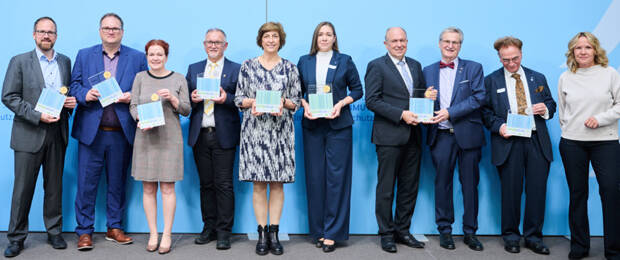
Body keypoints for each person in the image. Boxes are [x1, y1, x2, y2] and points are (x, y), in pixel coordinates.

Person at [69, 13, 147, 250]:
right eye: (106, 28)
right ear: (100, 30)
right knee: (86, 184)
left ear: (122, 31)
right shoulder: (84, 55)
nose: (111, 31)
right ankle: (84, 231)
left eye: (115, 28)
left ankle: (115, 227)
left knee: (117, 183)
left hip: (121, 132)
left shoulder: (137, 57)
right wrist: (85, 94)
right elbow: (74, 85)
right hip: (91, 131)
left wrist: (133, 96)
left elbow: (145, 87)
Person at [1, 17, 75, 258]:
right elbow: (9, 96)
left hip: (57, 133)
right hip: (28, 134)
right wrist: (37, 116)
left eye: (51, 32)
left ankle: (54, 232)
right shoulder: (20, 61)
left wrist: (70, 104)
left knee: (54, 187)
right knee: (22, 190)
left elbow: (66, 94)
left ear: (56, 36)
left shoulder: (65, 61)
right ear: (34, 35)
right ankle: (16, 238)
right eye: (42, 32)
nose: (46, 36)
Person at [482, 36, 556, 255]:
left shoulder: (537, 77)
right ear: (499, 57)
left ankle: (534, 237)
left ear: (521, 54)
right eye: (506, 60)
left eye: (514, 58)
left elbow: (550, 104)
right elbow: (485, 113)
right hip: (509, 140)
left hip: (536, 140)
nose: (511, 63)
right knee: (510, 192)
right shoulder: (491, 80)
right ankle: (511, 236)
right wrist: (499, 127)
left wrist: (545, 108)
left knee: (536, 191)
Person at [234, 21, 300, 256]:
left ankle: (274, 233)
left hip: (280, 134)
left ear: (280, 40)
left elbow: (297, 102)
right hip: (254, 133)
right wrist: (253, 102)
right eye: (266, 36)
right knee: (259, 185)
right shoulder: (248, 66)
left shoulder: (290, 68)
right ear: (260, 40)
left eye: (275, 36)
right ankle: (261, 233)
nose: (271, 40)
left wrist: (283, 102)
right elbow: (238, 99)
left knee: (278, 184)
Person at [297, 21, 363, 253]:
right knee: (315, 178)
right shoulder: (304, 61)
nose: (324, 38)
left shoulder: (345, 60)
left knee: (337, 179)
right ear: (315, 38)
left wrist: (342, 104)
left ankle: (333, 233)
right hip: (312, 125)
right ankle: (318, 231)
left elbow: (357, 90)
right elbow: (297, 93)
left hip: (338, 125)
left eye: (328, 34)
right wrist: (304, 104)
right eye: (320, 35)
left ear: (335, 38)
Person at [421, 27, 485, 251]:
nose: (450, 45)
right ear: (439, 43)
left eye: (455, 42)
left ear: (460, 45)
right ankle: (445, 231)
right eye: (447, 41)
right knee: (442, 184)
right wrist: (424, 98)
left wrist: (451, 112)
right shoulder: (427, 70)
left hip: (468, 135)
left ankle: (470, 232)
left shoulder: (474, 68)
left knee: (470, 186)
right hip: (440, 136)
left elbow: (479, 98)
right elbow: (418, 102)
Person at [364, 27, 428, 253]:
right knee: (386, 187)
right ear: (386, 44)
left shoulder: (415, 65)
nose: (399, 44)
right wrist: (401, 114)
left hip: (414, 135)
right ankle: (386, 233)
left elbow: (418, 99)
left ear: (407, 42)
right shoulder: (377, 66)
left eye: (402, 40)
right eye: (394, 41)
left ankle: (403, 230)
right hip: (389, 136)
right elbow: (372, 100)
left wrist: (427, 99)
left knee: (409, 187)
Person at [558, 32, 620, 260]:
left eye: (587, 47)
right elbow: (564, 112)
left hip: (606, 141)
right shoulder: (566, 77)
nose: (583, 52)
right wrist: (571, 130)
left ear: (596, 50)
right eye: (578, 48)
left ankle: (614, 249)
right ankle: (580, 246)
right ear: (572, 52)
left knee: (611, 191)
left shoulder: (610, 74)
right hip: (573, 143)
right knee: (577, 194)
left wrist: (600, 119)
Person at [129, 39, 190, 254]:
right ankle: (153, 233)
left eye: (159, 54)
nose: (155, 58)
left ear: (166, 56)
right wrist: (139, 120)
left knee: (167, 188)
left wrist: (173, 99)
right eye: (151, 54)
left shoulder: (179, 78)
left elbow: (186, 110)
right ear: (147, 56)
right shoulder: (140, 78)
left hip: (169, 138)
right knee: (147, 188)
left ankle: (167, 234)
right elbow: (133, 105)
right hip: (145, 137)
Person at [186, 28, 241, 250]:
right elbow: (186, 102)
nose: (213, 45)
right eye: (210, 42)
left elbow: (243, 100)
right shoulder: (194, 69)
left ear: (225, 45)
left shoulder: (236, 69)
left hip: (223, 134)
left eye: (218, 42)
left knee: (224, 184)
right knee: (206, 184)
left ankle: (224, 231)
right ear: (204, 44)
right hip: (200, 134)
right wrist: (191, 98)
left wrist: (227, 98)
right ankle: (208, 227)